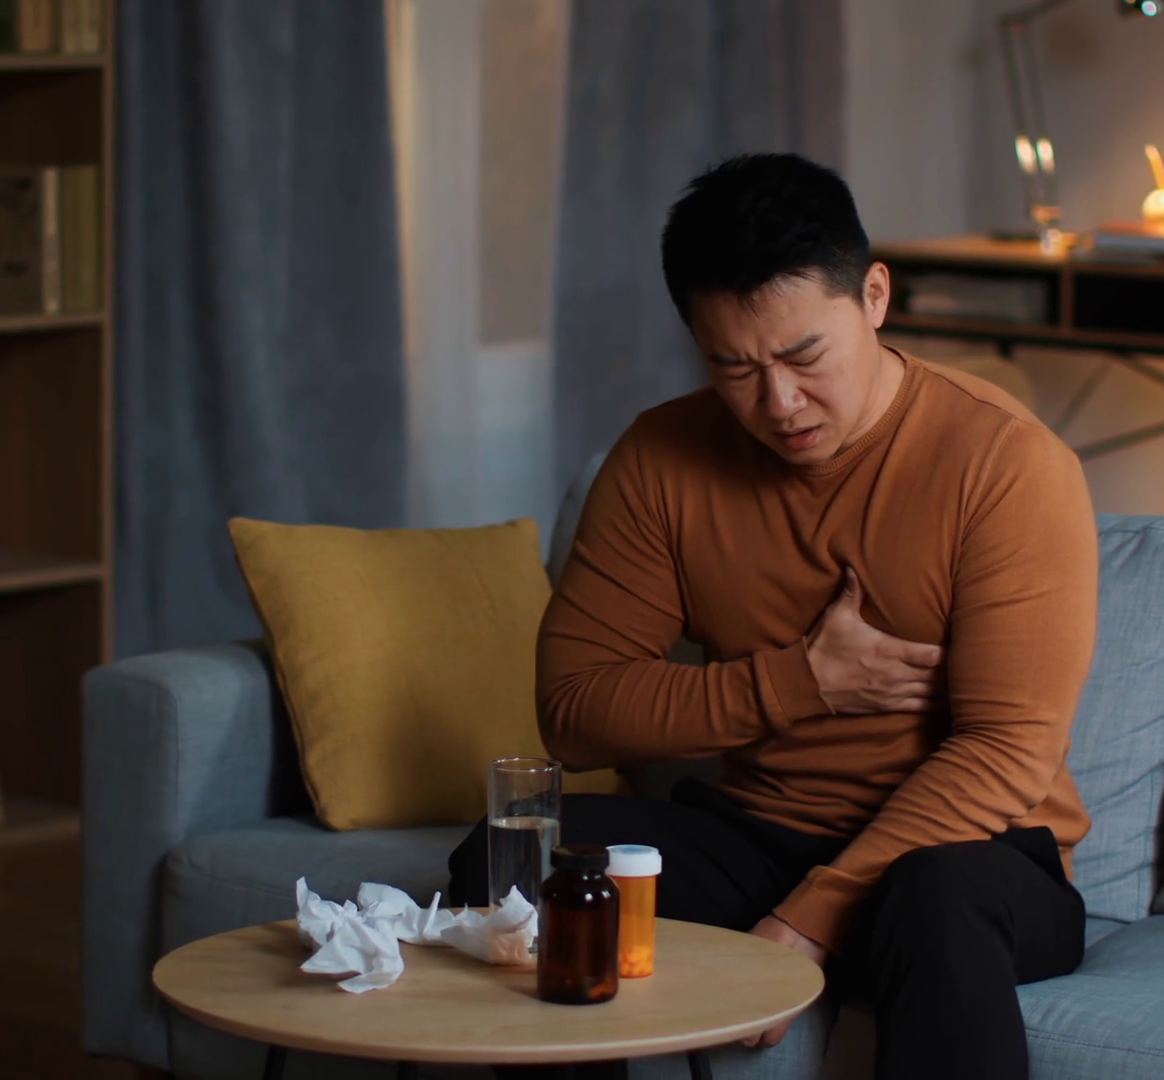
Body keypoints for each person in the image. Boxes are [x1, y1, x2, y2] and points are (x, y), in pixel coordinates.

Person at [449, 153, 1097, 1080]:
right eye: (735, 368)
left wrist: (807, 923)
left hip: (974, 857)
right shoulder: (661, 458)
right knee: (510, 861)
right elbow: (577, 710)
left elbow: (1007, 750)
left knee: (935, 898)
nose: (779, 404)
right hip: (759, 834)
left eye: (803, 357)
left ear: (875, 297)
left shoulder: (1005, 464)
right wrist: (805, 682)